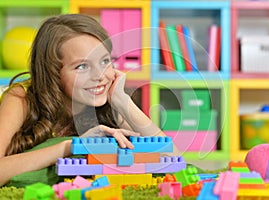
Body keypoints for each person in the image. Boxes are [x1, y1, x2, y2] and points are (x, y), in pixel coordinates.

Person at [0, 14, 173, 187]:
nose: (100, 76)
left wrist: (122, 101)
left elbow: (171, 161)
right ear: (52, 73)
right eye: (82, 66)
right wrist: (69, 147)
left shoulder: (109, 102)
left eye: (105, 61)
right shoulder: (21, 99)